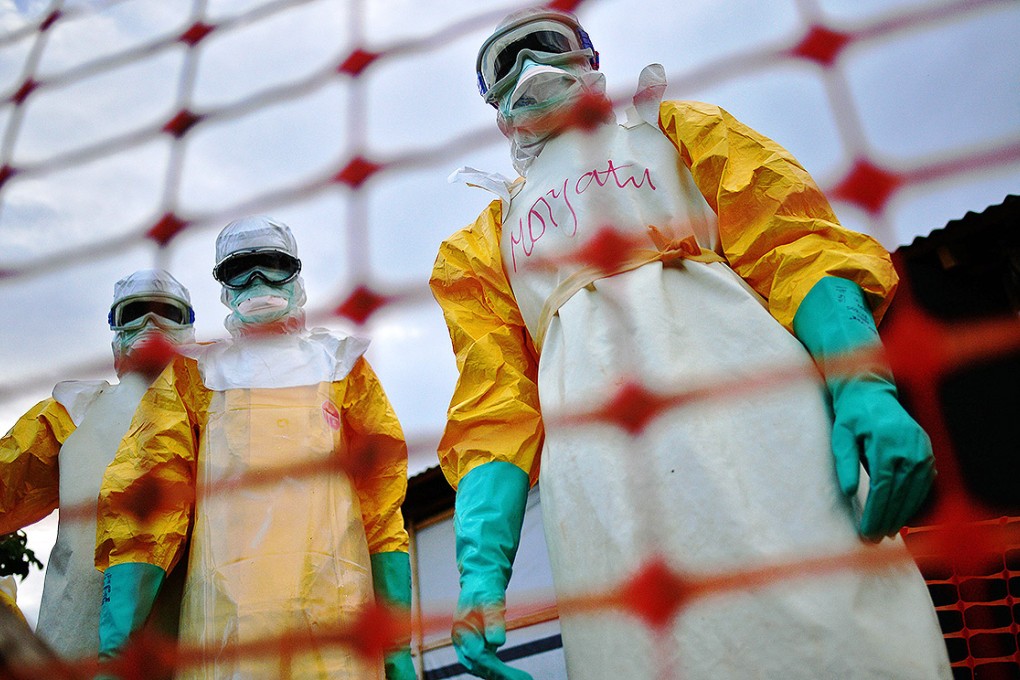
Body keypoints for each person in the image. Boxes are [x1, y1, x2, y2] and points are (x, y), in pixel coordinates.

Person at [430, 8, 952, 680]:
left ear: (588, 60)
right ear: (493, 102)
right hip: (601, 482)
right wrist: (480, 574)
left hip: (761, 423)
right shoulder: (479, 248)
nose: (532, 68)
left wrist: (862, 385)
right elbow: (495, 410)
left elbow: (795, 248)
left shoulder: (679, 132)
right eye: (507, 63)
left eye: (548, 45)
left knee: (838, 621)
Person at [94, 216, 415, 679]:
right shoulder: (196, 375)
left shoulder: (343, 368)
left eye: (271, 266)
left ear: (296, 274)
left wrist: (396, 644)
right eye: (240, 270)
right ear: (223, 286)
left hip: (337, 626)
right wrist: (117, 644)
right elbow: (149, 500)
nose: (257, 282)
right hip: (225, 628)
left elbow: (382, 508)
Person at [0, 269, 195, 660]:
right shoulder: (72, 412)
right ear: (116, 330)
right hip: (73, 644)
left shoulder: (219, 406)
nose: (150, 325)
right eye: (136, 313)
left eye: (166, 314)